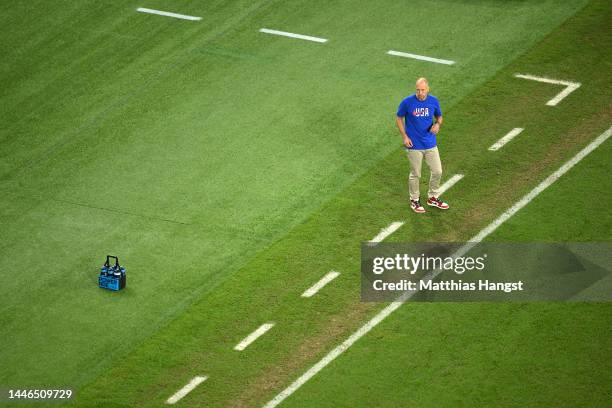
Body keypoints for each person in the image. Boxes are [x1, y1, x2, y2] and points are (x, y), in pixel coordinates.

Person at [395, 77, 449, 213]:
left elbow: (439, 116)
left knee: (438, 171)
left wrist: (437, 124)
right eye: (418, 90)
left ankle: (432, 197)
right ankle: (414, 200)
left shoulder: (433, 101)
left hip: (430, 143)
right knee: (416, 174)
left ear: (428, 89)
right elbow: (399, 117)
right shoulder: (407, 102)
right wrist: (404, 136)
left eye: (423, 90)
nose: (420, 93)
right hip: (414, 145)